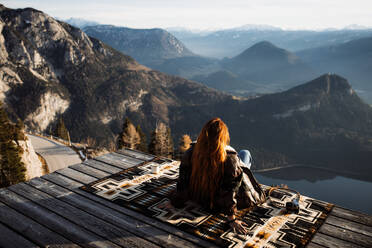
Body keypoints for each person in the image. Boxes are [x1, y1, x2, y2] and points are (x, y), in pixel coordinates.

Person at [171, 118, 266, 234]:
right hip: (218, 204)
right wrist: (232, 219)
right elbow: (230, 191)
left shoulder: (190, 153)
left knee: (240, 158)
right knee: (245, 153)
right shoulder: (230, 160)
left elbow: (183, 181)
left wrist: (174, 202)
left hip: (198, 197)